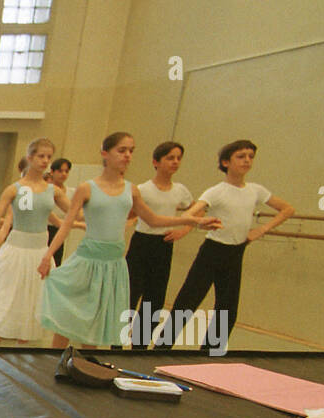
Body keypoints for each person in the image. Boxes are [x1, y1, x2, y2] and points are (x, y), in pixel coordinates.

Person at [38, 132, 218, 349]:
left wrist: (192, 221)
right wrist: (48, 255)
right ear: (105, 153)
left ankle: (83, 367)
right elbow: (67, 223)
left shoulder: (131, 189)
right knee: (70, 317)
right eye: (122, 150)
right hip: (87, 259)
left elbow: (152, 219)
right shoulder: (87, 188)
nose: (127, 155)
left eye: (131, 151)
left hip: (113, 263)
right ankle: (51, 365)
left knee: (97, 322)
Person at [168, 139, 294, 351]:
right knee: (187, 302)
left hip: (235, 253)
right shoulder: (216, 191)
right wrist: (201, 222)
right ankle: (162, 348)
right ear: (226, 162)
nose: (247, 160)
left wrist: (260, 230)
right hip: (212, 251)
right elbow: (190, 213)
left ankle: (209, 354)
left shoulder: (256, 190)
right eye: (241, 156)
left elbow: (287, 209)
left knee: (227, 309)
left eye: (250, 156)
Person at [0, 139, 70, 344]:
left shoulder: (53, 191)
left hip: (40, 252)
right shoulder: (17, 189)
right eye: (41, 156)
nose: (45, 160)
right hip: (17, 249)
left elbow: (76, 213)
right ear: (30, 158)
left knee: (33, 302)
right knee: (9, 297)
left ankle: (22, 351)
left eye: (49, 157)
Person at [123, 141, 194, 346]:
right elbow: (129, 215)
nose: (175, 162)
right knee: (130, 294)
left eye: (178, 158)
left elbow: (197, 210)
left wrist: (184, 230)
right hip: (141, 244)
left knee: (154, 299)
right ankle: (116, 344)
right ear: (156, 161)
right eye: (170, 158)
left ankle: (140, 344)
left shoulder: (180, 190)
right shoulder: (143, 189)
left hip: (164, 246)